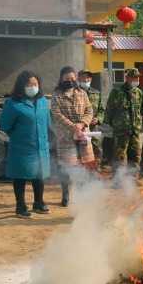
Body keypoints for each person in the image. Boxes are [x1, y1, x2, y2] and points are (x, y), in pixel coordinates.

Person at [0, 71, 51, 218]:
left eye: (35, 84)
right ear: (21, 86)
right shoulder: (13, 103)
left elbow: (47, 122)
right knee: (20, 176)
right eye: (28, 84)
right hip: (21, 147)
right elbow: (4, 125)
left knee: (39, 175)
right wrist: (20, 136)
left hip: (41, 146)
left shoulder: (42, 101)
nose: (32, 87)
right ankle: (20, 206)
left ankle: (38, 203)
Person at [51, 66, 94, 207]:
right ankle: (66, 195)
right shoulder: (56, 95)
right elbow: (57, 114)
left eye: (72, 78)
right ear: (61, 79)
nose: (70, 81)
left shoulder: (82, 93)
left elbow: (89, 110)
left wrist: (82, 124)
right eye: (67, 79)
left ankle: (82, 195)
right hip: (66, 138)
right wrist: (73, 126)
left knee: (84, 166)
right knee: (67, 168)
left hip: (83, 136)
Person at [104, 68, 143, 176]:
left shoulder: (139, 92)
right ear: (127, 78)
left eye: (137, 77)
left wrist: (139, 125)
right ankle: (118, 179)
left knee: (135, 154)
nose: (136, 79)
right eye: (134, 77)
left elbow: (140, 110)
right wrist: (107, 125)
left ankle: (132, 178)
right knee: (119, 155)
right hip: (121, 129)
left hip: (135, 129)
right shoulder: (117, 91)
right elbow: (109, 109)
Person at [78, 70, 104, 165]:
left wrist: (98, 119)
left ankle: (96, 171)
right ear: (78, 78)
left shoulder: (96, 93)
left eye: (88, 77)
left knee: (96, 149)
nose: (86, 79)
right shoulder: (74, 93)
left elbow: (102, 110)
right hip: (81, 128)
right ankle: (82, 173)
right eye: (84, 77)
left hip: (94, 128)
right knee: (82, 150)